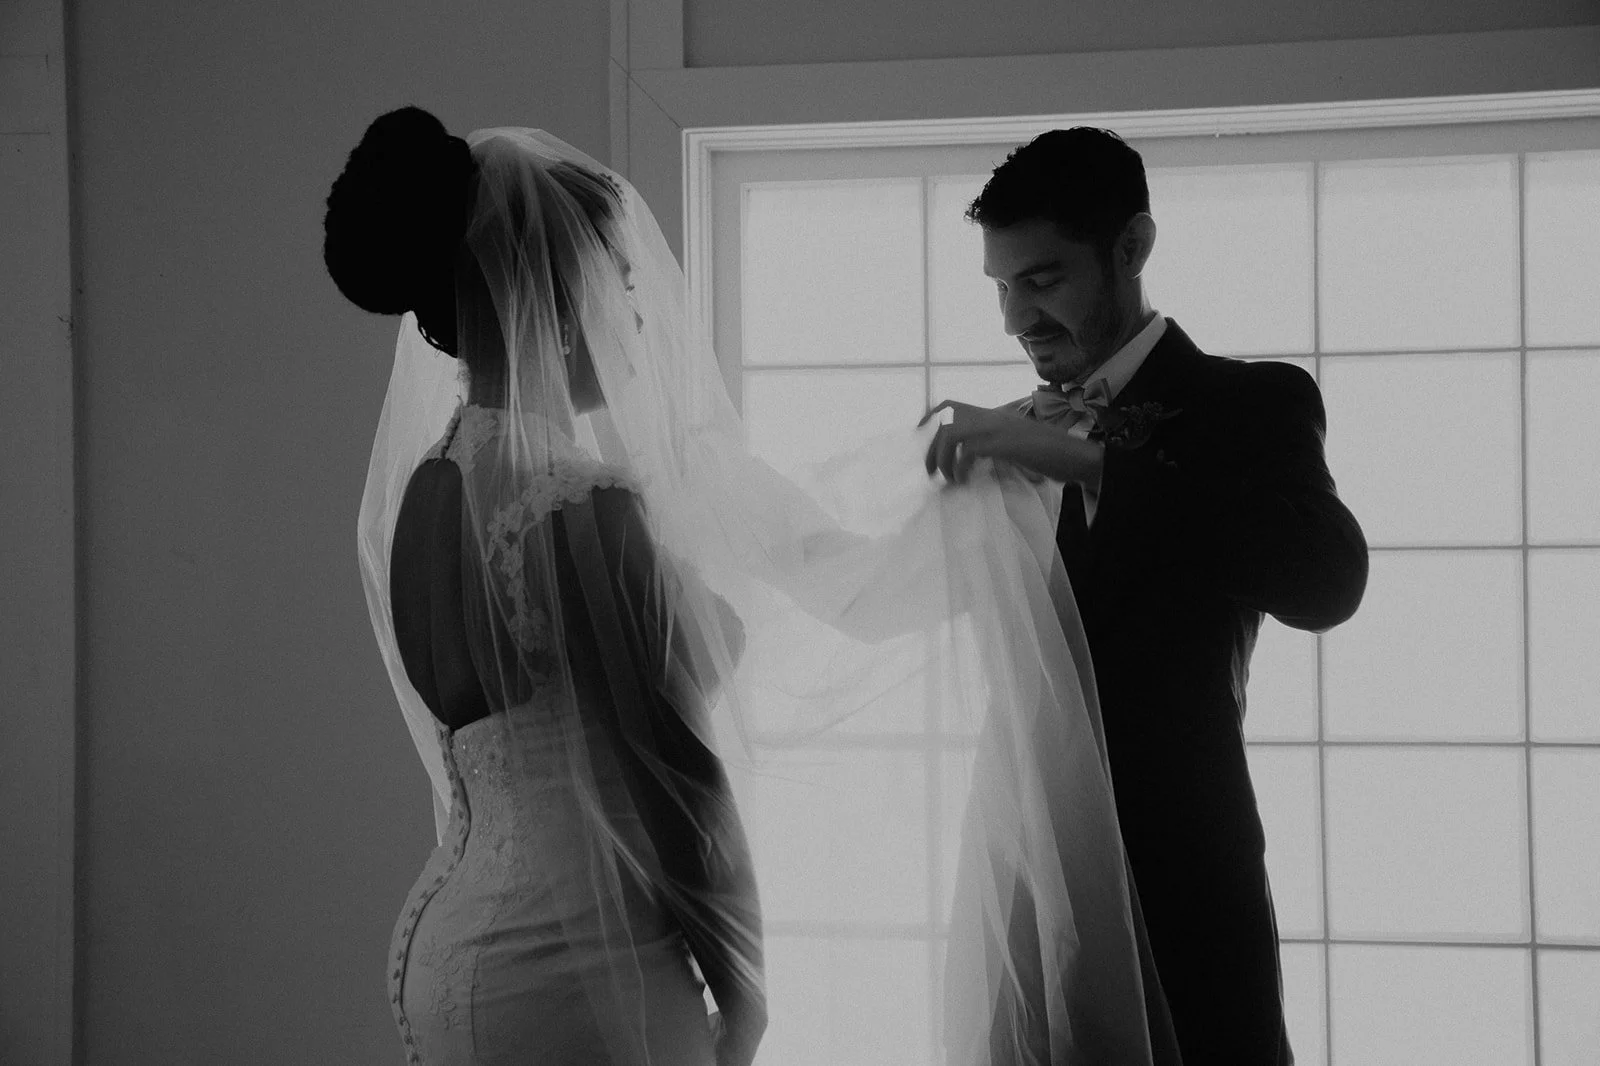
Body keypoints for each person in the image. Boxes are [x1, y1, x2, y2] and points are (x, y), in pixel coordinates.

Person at [325, 108, 766, 1066]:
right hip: (578, 969)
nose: (639, 316)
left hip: (445, 951)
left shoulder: (433, 488)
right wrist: (747, 993)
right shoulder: (583, 502)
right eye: (626, 282)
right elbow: (676, 781)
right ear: (559, 301)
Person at [924, 127, 1369, 1065]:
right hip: (1022, 874)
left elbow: (1327, 581)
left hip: (1180, 874)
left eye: (1042, 280)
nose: (1015, 320)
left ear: (1132, 248)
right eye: (1001, 287)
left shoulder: (1250, 404)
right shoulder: (1002, 440)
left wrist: (1092, 466)